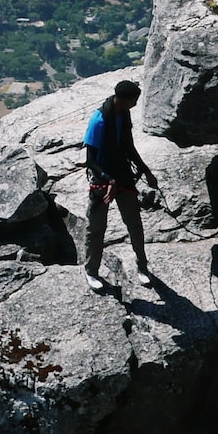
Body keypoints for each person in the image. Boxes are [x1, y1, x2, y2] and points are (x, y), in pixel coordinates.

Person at [83, 78, 159, 291]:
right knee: (96, 228)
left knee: (135, 224)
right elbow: (90, 160)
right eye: (134, 100)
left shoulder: (123, 114)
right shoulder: (99, 120)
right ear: (124, 99)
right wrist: (109, 180)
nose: (136, 104)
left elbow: (128, 146)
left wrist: (146, 170)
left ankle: (142, 267)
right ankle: (91, 271)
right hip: (102, 178)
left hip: (122, 174)